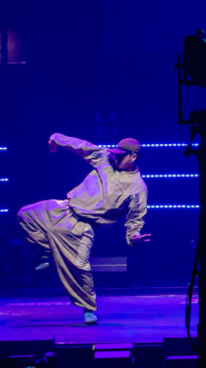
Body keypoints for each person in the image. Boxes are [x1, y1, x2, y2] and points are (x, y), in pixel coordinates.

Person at [18, 135, 150, 324]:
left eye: (121, 155)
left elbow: (135, 217)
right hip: (63, 209)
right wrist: (56, 139)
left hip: (83, 228)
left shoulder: (137, 188)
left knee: (80, 267)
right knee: (26, 215)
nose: (116, 158)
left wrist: (134, 236)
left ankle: (88, 308)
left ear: (133, 157)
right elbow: (81, 146)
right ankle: (47, 254)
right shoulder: (105, 158)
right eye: (116, 154)